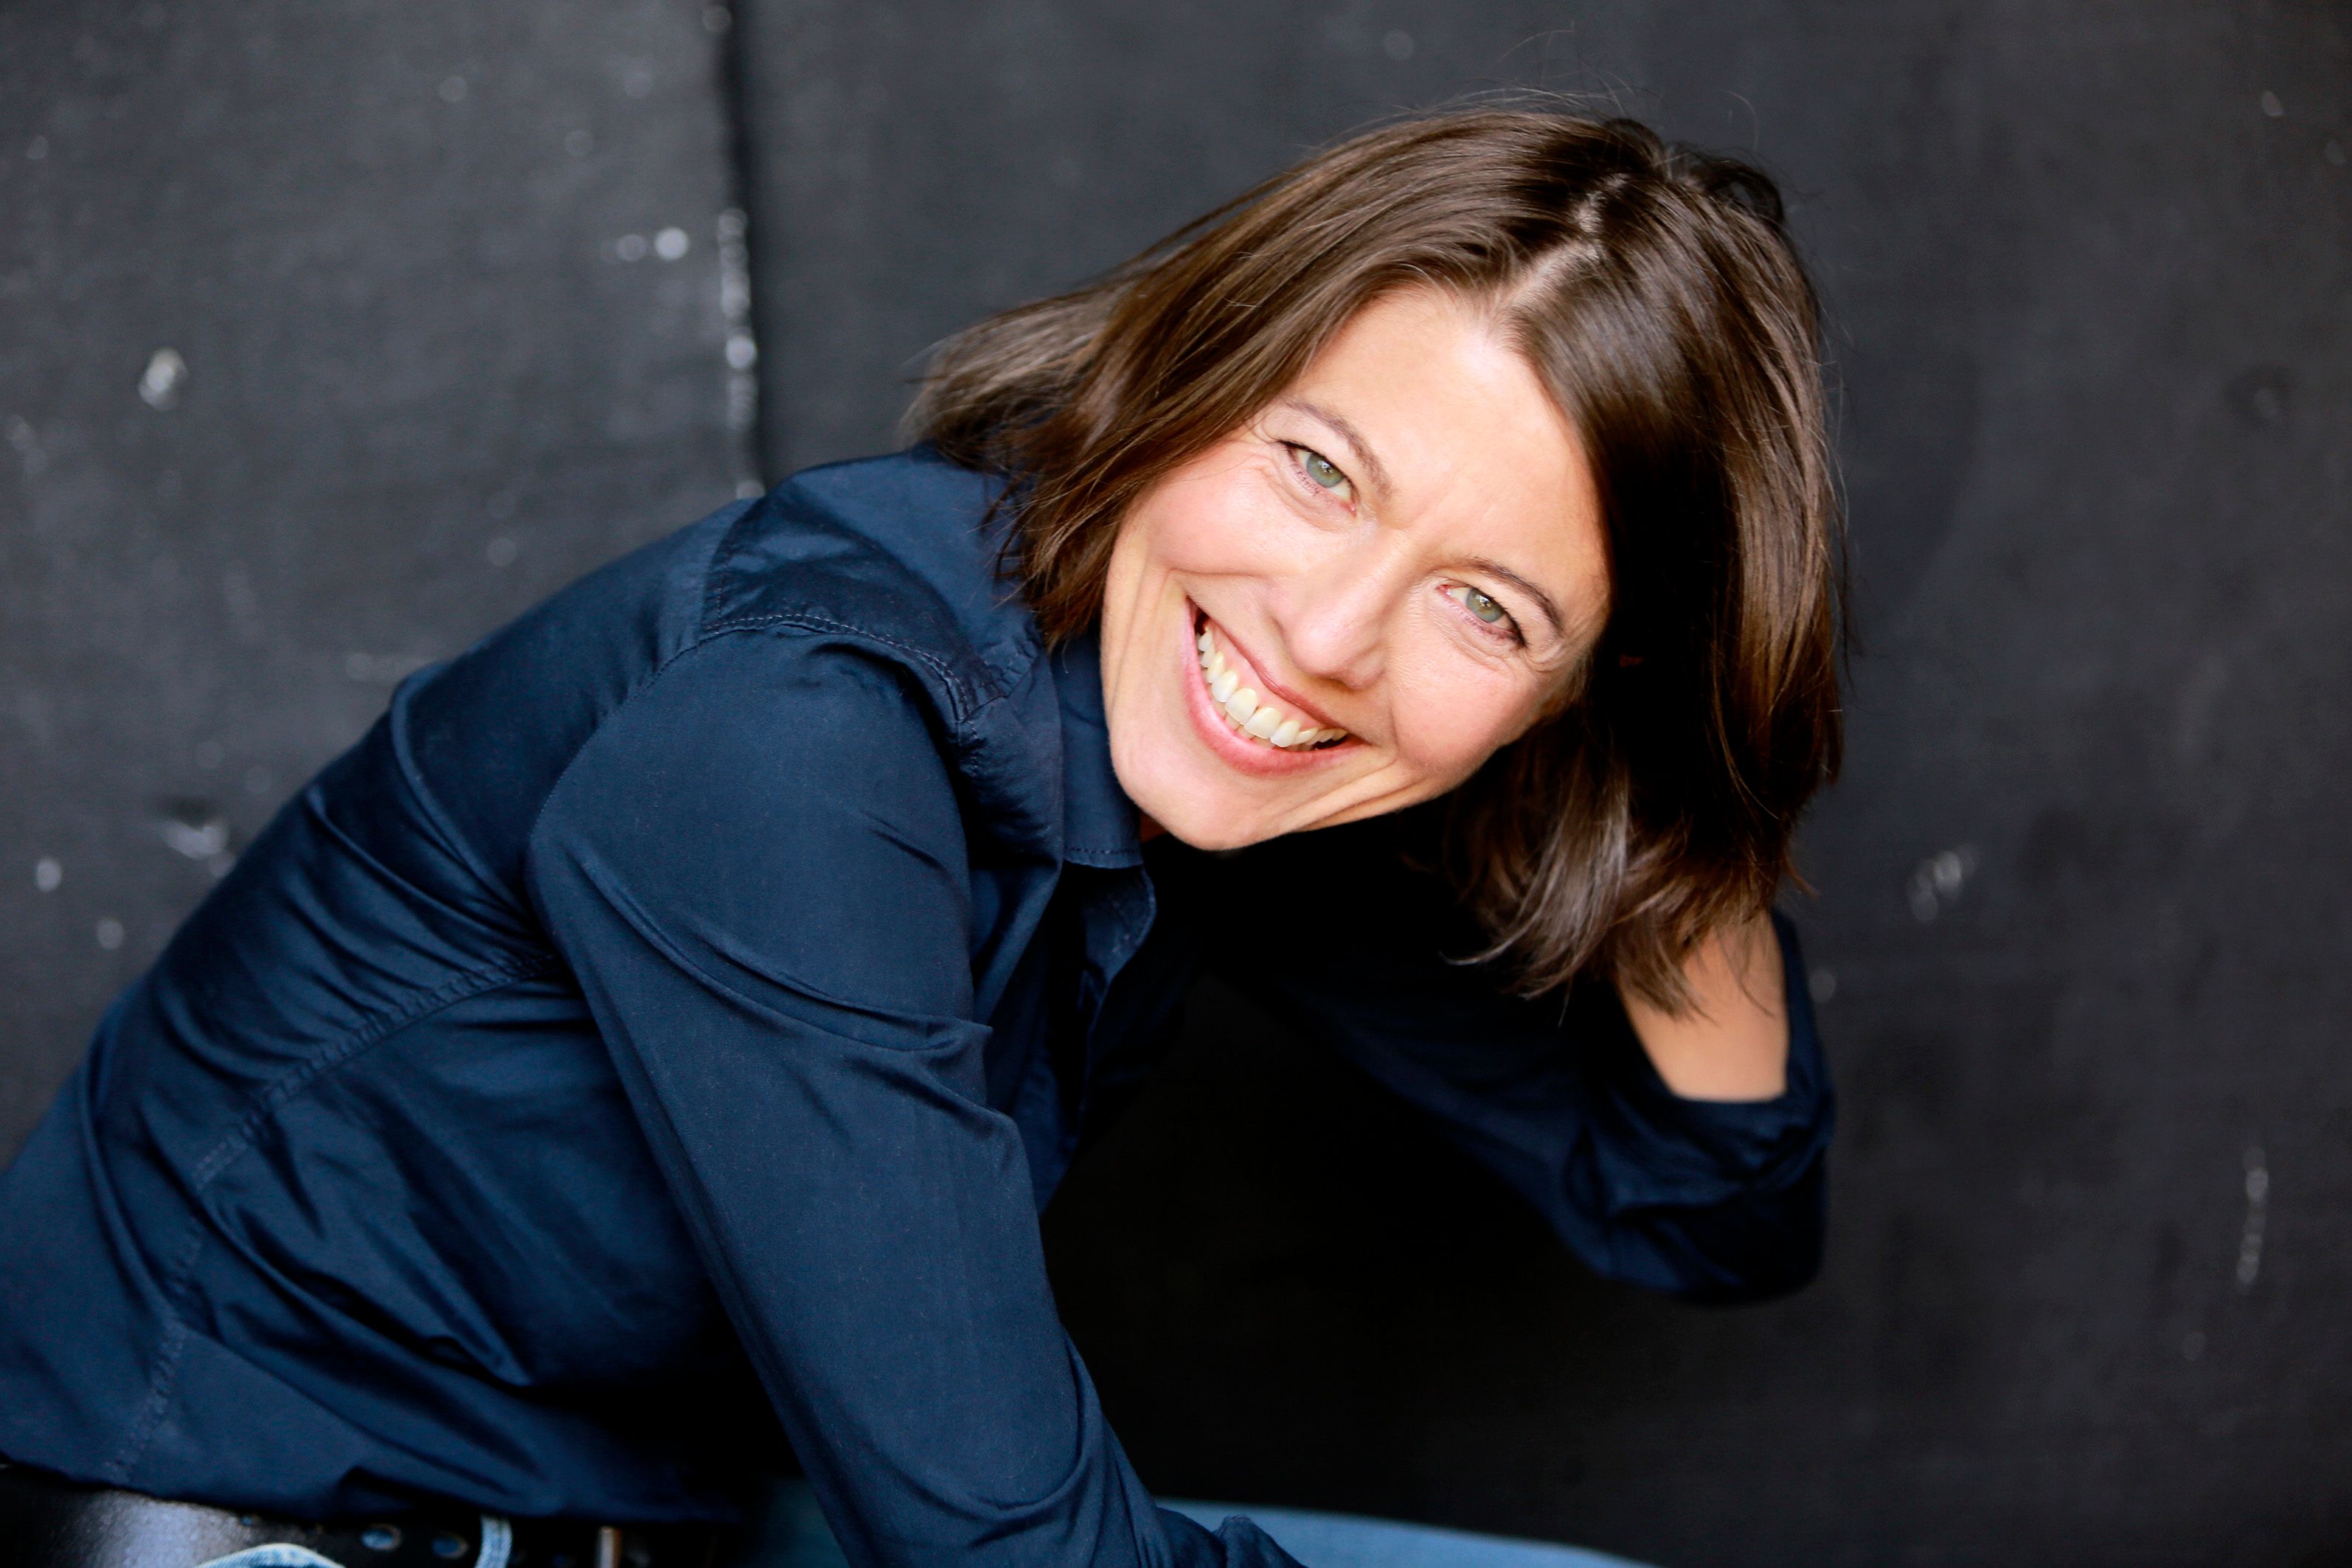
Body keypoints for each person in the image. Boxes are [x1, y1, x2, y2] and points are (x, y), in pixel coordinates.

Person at [0, 109, 1842, 1568]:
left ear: (1573, 693)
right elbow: (1007, 1551)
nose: (1327, 635)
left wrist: (1688, 796)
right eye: (1316, 468)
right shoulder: (792, 741)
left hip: (645, 1528)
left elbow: (1703, 1205)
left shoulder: (1212, 752)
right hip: (275, 1531)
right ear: (1195, 378)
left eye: (1487, 608)